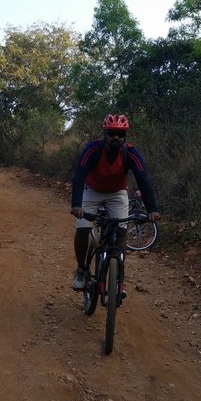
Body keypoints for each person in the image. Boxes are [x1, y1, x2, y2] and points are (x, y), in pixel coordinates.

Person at [70, 113, 161, 290]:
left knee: (120, 233)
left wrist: (152, 209)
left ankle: (119, 277)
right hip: (92, 191)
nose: (116, 137)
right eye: (112, 133)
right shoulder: (93, 149)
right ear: (105, 134)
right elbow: (79, 175)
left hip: (117, 193)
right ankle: (81, 269)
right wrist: (76, 205)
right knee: (82, 229)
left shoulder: (131, 153)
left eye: (120, 134)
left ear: (125, 136)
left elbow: (143, 179)